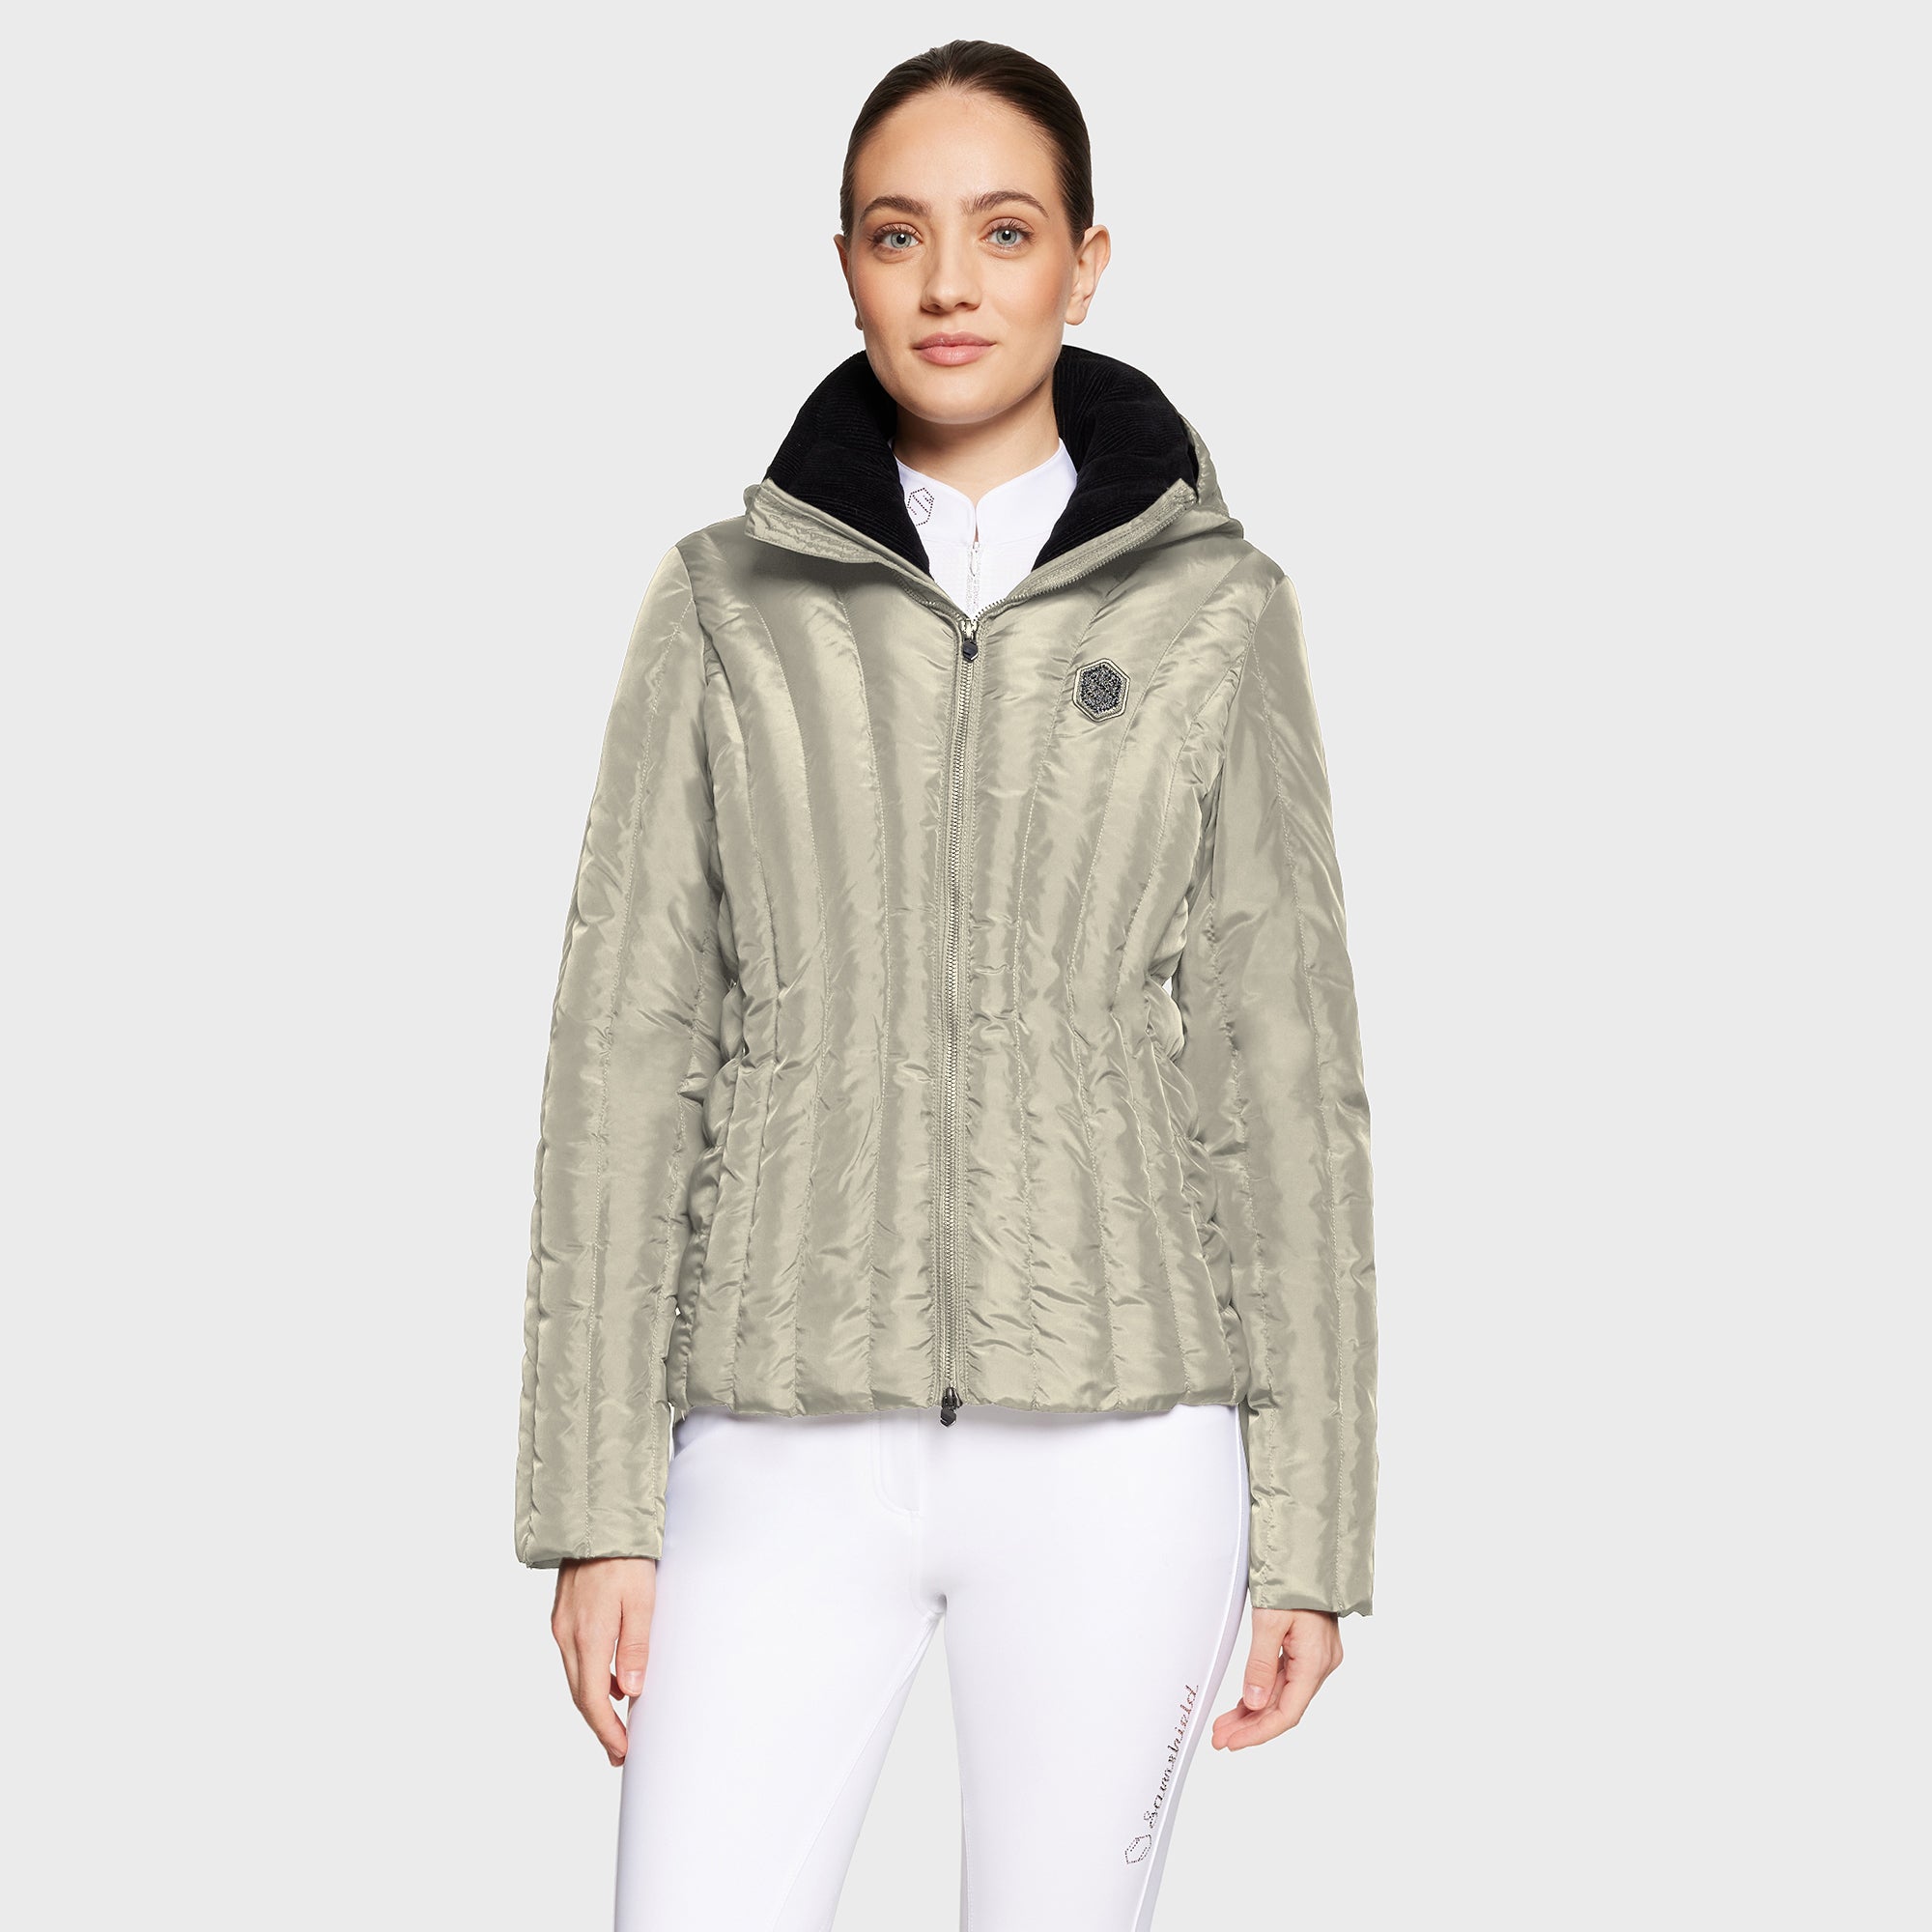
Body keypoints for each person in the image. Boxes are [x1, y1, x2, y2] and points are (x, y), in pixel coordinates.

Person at [514, 38, 1378, 1930]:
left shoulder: (1215, 608)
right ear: (845, 264)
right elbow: (626, 1052)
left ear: (1084, 263)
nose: (950, 283)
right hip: (773, 1430)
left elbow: (1280, 1065)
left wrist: (1312, 1530)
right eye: (899, 234)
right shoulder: (724, 602)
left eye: (1005, 231)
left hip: (1125, 1442)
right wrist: (595, 1506)